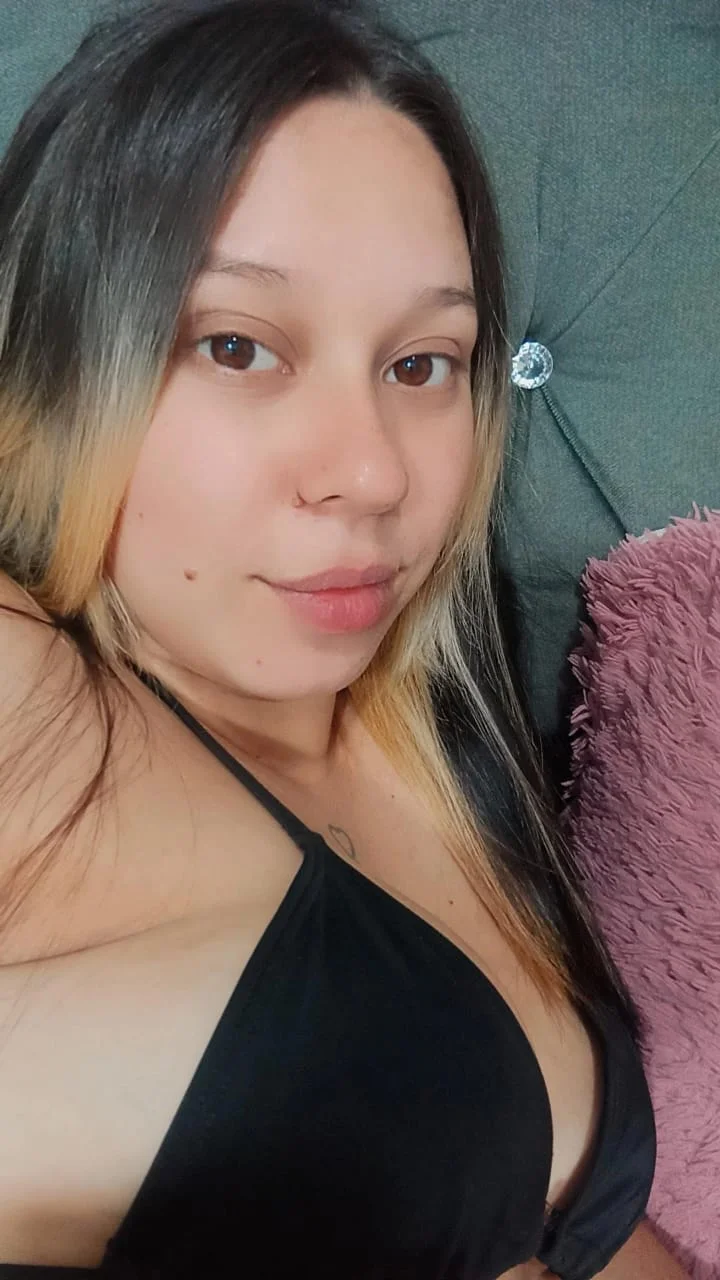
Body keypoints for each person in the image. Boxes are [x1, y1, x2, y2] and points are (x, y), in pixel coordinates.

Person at [0, 1, 676, 1276]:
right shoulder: (36, 709)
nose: (371, 473)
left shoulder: (452, 746)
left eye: (423, 365)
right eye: (238, 346)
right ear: (57, 367)